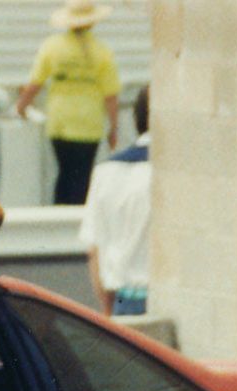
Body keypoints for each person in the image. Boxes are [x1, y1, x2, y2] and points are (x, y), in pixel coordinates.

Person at [15, 0, 121, 205]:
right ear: (92, 21)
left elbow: (35, 83)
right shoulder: (103, 51)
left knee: (64, 174)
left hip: (59, 123)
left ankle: (58, 217)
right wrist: (114, 128)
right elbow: (111, 96)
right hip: (88, 125)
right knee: (82, 178)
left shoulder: (52, 47)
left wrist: (21, 107)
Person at [79, 85, 150, 317]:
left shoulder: (106, 171)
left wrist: (108, 314)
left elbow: (94, 249)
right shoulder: (180, 174)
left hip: (124, 301)